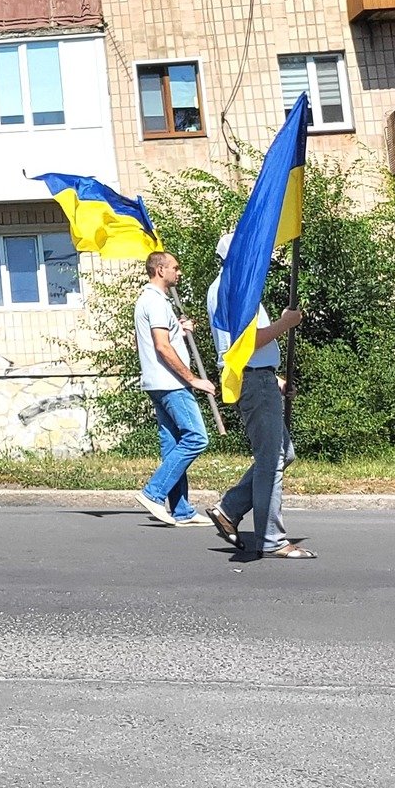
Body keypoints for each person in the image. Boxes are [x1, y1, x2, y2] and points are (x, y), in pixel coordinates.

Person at [205, 232, 311, 559]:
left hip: (256, 378)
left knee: (282, 454)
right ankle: (272, 539)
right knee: (271, 460)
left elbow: (241, 351)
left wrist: (273, 378)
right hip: (252, 380)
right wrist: (285, 323)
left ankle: (229, 508)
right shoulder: (233, 290)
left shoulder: (234, 288)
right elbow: (246, 343)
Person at [133, 250, 217, 528]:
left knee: (172, 445)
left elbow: (153, 339)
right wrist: (193, 379)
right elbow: (162, 346)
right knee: (197, 438)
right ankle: (153, 493)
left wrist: (179, 329)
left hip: (157, 382)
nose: (179, 273)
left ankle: (181, 510)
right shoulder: (156, 302)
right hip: (171, 383)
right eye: (175, 268)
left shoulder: (149, 301)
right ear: (160, 270)